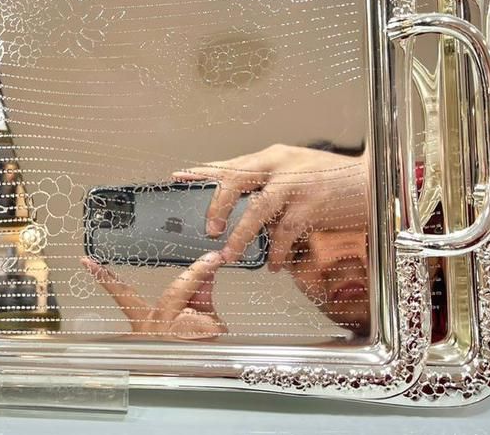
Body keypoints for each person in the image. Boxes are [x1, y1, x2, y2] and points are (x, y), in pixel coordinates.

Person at [83, 144, 372, 338]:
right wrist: (197, 369)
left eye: (336, 228)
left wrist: (370, 183)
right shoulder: (349, 366)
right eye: (297, 254)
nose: (326, 261)